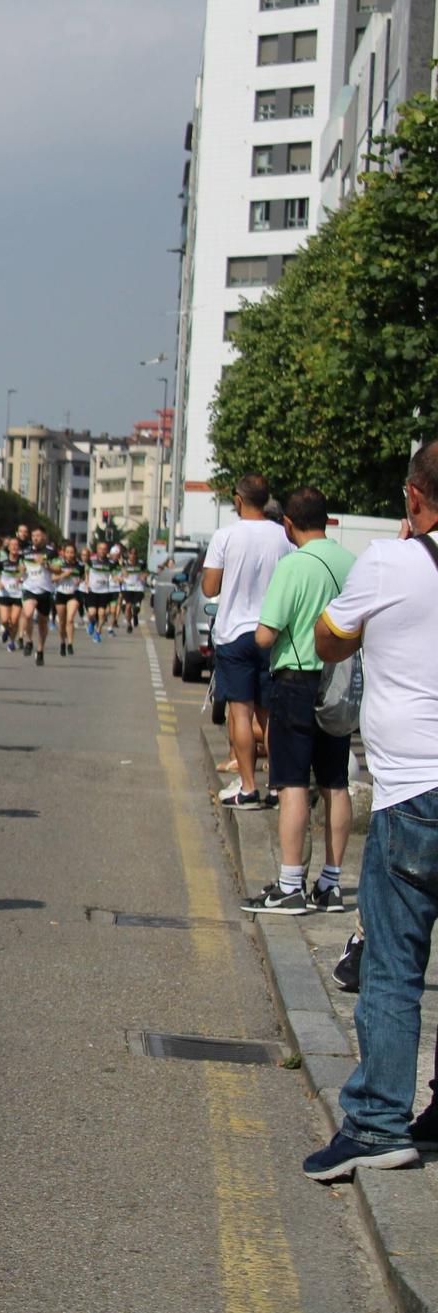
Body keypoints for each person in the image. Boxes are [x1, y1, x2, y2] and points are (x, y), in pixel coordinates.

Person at [301, 442, 438, 1182]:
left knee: (391, 964)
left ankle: (380, 1121)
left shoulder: (390, 563)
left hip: (417, 790)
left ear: (415, 496)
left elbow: (330, 634)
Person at [242, 487, 357, 916]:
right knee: (335, 783)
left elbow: (267, 634)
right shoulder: (352, 563)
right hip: (339, 684)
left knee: (291, 782)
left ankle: (291, 884)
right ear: (327, 520)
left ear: (288, 524)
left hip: (295, 683)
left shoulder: (293, 566)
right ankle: (330, 883)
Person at [204, 474, 293, 809]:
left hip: (234, 633)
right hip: (271, 634)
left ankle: (248, 787)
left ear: (238, 500)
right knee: (268, 714)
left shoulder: (225, 536)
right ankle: (274, 787)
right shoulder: (284, 538)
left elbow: (210, 589)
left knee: (241, 714)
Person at [19, 526, 54, 663]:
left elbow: (57, 570)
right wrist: (21, 570)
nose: (35, 538)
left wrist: (46, 564)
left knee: (42, 622)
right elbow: (22, 570)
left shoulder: (51, 552)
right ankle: (29, 641)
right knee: (27, 614)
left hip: (45, 590)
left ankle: (40, 650)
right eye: (33, 536)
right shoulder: (26, 552)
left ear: (44, 537)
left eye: (38, 536)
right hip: (29, 588)